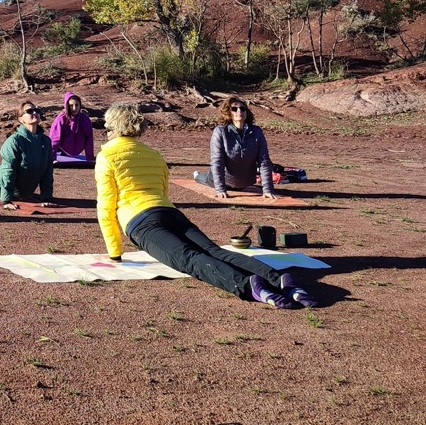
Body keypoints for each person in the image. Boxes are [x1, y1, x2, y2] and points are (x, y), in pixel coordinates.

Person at [94, 103, 317, 308]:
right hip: (169, 212)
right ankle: (279, 279)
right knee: (214, 251)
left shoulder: (107, 156)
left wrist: (115, 252)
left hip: (140, 221)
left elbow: (106, 207)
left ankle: (249, 286)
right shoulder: (154, 155)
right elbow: (162, 192)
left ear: (112, 127)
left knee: (189, 258)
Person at [192, 97, 276, 199]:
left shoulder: (257, 132)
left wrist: (267, 190)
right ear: (228, 113)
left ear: (246, 112)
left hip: (245, 182)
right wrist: (220, 189)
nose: (239, 111)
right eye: (234, 109)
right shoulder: (220, 131)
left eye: (242, 108)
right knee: (203, 178)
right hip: (222, 180)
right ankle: (197, 175)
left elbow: (264, 161)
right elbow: (217, 161)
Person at [48, 92, 94, 160]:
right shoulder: (60, 119)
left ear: (80, 105)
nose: (74, 108)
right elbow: (54, 139)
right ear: (67, 106)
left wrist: (90, 158)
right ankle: (61, 152)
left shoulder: (85, 119)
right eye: (71, 105)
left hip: (78, 147)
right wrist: (52, 158)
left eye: (77, 105)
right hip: (62, 147)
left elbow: (89, 139)